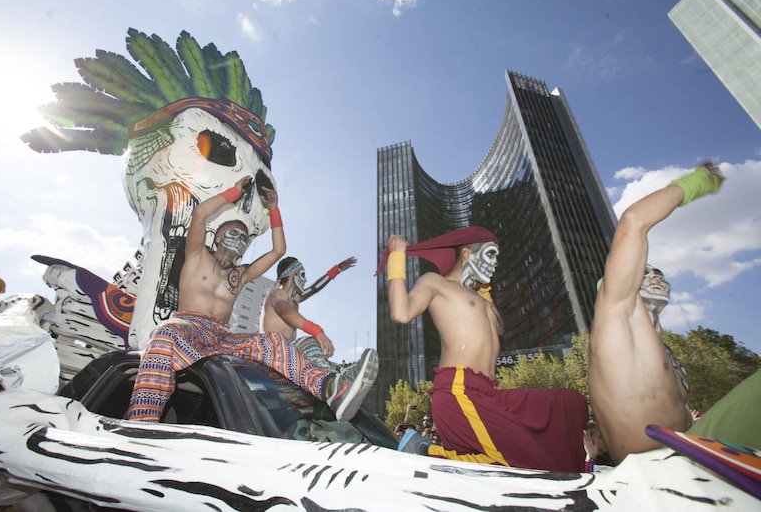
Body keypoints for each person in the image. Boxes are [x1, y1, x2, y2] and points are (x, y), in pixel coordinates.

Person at [128, 176, 377, 423]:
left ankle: (332, 388)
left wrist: (274, 208)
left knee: (273, 342)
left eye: (244, 238)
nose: (239, 239)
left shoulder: (241, 274)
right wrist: (233, 193)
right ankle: (141, 423)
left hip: (223, 337)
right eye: (234, 233)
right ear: (217, 238)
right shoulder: (197, 255)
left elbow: (279, 251)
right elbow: (200, 213)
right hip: (188, 326)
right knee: (163, 336)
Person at [384, 228, 588, 472]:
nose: (495, 263)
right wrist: (397, 258)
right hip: (457, 390)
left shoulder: (481, 298)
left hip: (490, 392)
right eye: (490, 255)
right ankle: (424, 451)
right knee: (517, 462)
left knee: (569, 403)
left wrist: (484, 292)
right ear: (467, 253)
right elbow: (401, 312)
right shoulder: (436, 282)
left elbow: (498, 328)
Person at [588, 162, 724, 465]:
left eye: (660, 274)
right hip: (648, 477)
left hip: (695, 469)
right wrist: (699, 181)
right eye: (645, 273)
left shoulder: (663, 349)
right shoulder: (616, 317)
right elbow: (634, 221)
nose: (657, 278)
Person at [262, 255, 357, 362]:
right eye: (302, 275)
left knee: (309, 351)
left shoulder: (294, 299)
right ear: (291, 276)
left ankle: (331, 374)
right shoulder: (278, 294)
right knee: (310, 345)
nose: (305, 279)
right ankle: (331, 375)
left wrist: (337, 270)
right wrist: (316, 331)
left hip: (286, 353)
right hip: (273, 352)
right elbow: (286, 313)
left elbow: (314, 288)